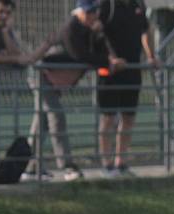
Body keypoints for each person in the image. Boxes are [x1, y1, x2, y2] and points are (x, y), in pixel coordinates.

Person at [24, 0, 123, 182]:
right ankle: (67, 166)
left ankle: (29, 167)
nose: (92, 15)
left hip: (56, 81)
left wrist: (99, 35)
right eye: (88, 12)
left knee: (42, 124)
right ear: (79, 12)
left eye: (94, 12)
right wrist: (107, 62)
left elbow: (100, 50)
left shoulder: (91, 30)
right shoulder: (71, 28)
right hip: (43, 77)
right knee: (56, 116)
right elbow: (81, 56)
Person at [97, 0, 159, 177]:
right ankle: (107, 164)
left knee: (128, 118)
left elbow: (146, 30)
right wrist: (111, 58)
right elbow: (98, 32)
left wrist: (151, 56)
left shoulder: (138, 4)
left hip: (132, 71)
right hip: (109, 72)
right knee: (108, 119)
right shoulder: (107, 5)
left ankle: (121, 162)